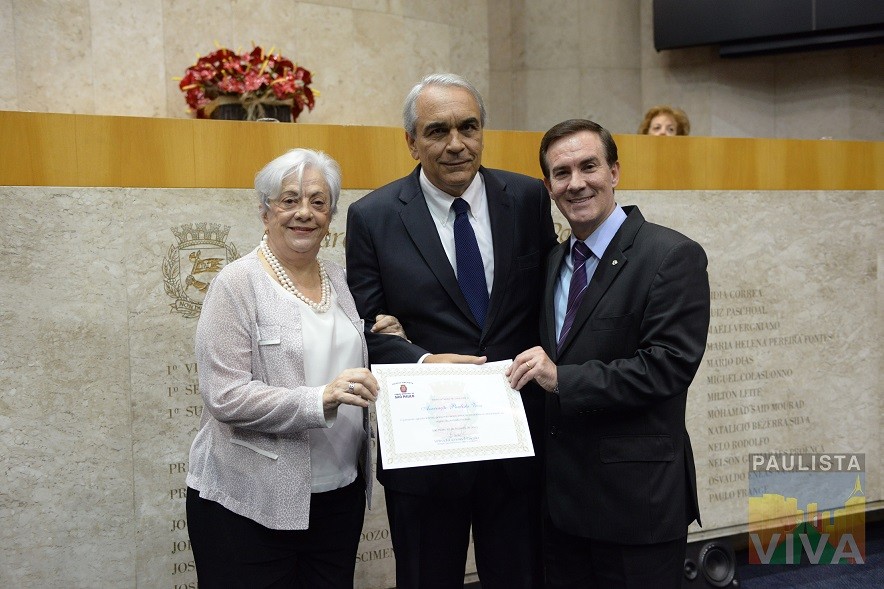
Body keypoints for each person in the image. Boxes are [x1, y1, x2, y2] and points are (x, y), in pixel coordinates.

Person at [345, 73, 558, 589]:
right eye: (438, 131)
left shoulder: (529, 198)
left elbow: (550, 299)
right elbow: (363, 332)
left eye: (469, 127)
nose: (457, 144)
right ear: (412, 142)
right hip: (426, 449)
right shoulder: (372, 216)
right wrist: (419, 359)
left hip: (516, 440)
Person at [185, 148, 405, 588]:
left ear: (331, 216)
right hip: (250, 501)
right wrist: (319, 398)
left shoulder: (338, 279)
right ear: (264, 211)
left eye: (318, 202)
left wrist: (382, 333)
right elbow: (225, 395)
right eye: (289, 200)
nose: (304, 213)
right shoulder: (236, 283)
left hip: (338, 496)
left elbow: (339, 350)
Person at [507, 119, 710, 589]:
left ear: (615, 171)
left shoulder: (670, 255)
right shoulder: (554, 262)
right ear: (548, 187)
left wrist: (563, 379)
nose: (576, 183)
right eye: (561, 173)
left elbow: (668, 367)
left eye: (588, 166)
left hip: (636, 507)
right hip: (562, 507)